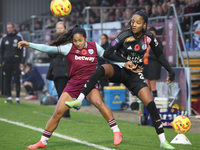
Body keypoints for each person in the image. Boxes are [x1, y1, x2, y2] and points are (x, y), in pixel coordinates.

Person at [66, 11, 175, 149]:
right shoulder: (124, 35)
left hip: (135, 75)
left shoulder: (149, 38)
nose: (134, 25)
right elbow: (107, 53)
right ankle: (79, 100)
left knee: (151, 104)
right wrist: (124, 62)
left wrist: (170, 71)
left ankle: (163, 141)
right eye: (132, 22)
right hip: (120, 69)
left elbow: (160, 56)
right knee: (100, 69)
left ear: (145, 25)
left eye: (138, 23)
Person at [18, 25, 122, 149]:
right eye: (75, 40)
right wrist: (29, 44)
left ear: (85, 38)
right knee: (58, 112)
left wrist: (125, 63)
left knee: (98, 103)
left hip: (90, 83)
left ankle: (116, 131)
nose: (78, 43)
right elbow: (47, 48)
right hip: (73, 84)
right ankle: (43, 141)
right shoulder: (68, 48)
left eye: (80, 40)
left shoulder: (95, 47)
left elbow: (109, 58)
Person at [46, 21, 70, 118]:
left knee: (64, 93)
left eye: (61, 28)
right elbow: (50, 54)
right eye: (57, 28)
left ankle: (65, 113)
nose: (59, 30)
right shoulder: (54, 41)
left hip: (66, 70)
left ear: (65, 28)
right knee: (60, 93)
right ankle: (63, 113)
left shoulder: (69, 40)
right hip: (57, 70)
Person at [0, 22, 26, 103]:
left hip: (16, 62)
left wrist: (22, 61)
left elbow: (23, 49)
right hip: (7, 62)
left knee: (17, 79)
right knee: (7, 79)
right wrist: (1, 61)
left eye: (10, 28)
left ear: (13, 28)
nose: (9, 29)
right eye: (8, 28)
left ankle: (17, 97)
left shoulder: (19, 37)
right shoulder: (4, 38)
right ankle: (9, 97)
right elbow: (1, 50)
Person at [143, 27, 162, 97]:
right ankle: (147, 100)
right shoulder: (145, 43)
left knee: (153, 85)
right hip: (145, 66)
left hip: (153, 67)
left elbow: (159, 55)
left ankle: (155, 100)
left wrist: (149, 55)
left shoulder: (157, 43)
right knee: (146, 85)